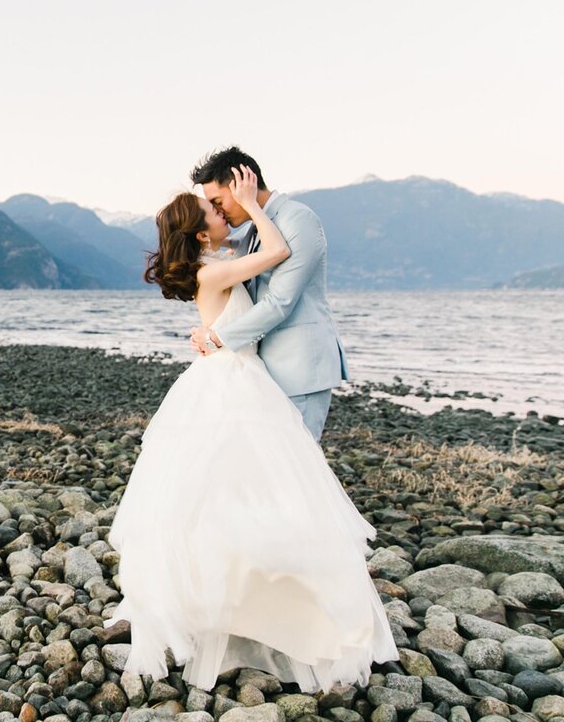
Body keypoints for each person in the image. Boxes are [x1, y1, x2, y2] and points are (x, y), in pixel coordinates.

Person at [105, 167, 396, 693]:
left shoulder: (217, 261)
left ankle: (247, 604)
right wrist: (257, 207)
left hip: (238, 376)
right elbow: (278, 255)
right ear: (200, 234)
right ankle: (263, 604)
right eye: (216, 211)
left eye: (220, 203)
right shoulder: (216, 269)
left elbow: (264, 269)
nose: (225, 214)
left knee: (232, 491)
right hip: (234, 381)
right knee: (263, 490)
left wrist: (247, 210)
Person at [187, 147, 346, 441]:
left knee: (298, 462)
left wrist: (217, 338)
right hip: (264, 367)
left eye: (218, 201)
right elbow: (204, 247)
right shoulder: (253, 228)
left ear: (241, 183)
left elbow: (280, 302)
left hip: (299, 366)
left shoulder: (297, 219)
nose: (218, 211)